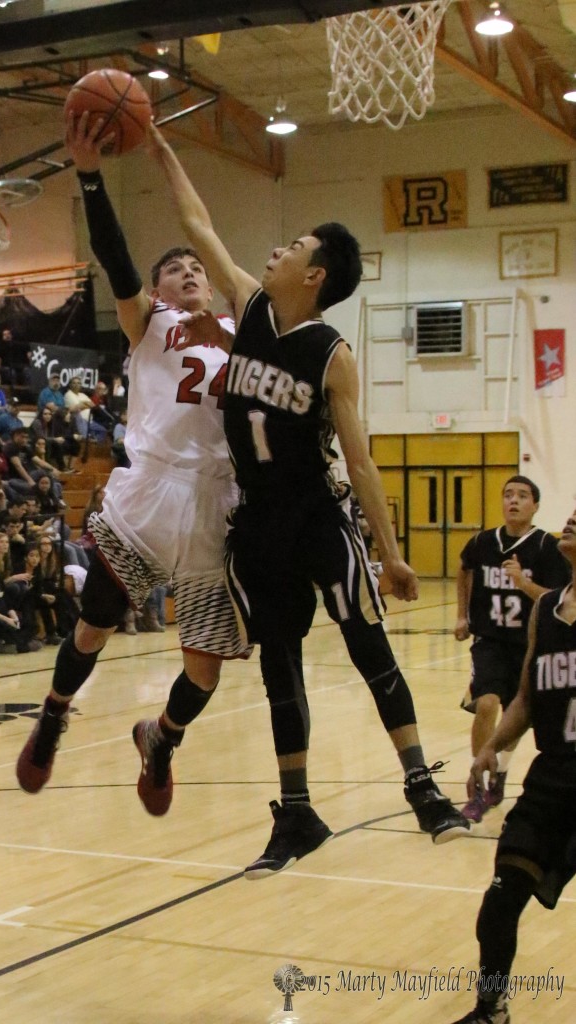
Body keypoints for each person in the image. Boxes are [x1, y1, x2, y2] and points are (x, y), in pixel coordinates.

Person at [150, 121, 469, 876]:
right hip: (256, 521)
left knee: (367, 644)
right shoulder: (251, 307)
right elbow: (197, 222)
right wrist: (158, 146)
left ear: (316, 274)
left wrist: (390, 556)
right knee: (278, 667)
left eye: (292, 246)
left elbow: (360, 464)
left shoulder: (334, 355)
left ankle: (421, 788)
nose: (277, 251)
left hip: (317, 514)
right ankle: (296, 813)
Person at [15, 110, 250, 801]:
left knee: (204, 670)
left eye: (194, 269)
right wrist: (90, 178)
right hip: (149, 491)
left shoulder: (243, 329)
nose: (186, 274)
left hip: (214, 502)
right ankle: (53, 716)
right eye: (173, 269)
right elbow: (116, 261)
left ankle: (162, 737)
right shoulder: (150, 322)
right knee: (92, 629)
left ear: (209, 283)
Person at [448, 505, 576, 1024]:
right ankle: (490, 1009)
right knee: (500, 899)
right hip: (551, 779)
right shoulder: (546, 612)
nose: (570, 522)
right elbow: (525, 696)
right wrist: (491, 748)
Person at [454, 475, 570, 823]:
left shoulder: (548, 548)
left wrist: (523, 583)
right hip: (489, 641)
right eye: (508, 495)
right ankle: (480, 783)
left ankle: (500, 773)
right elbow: (464, 570)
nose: (513, 501)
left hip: (528, 644)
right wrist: (462, 614)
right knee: (486, 703)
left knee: (517, 715)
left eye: (522, 496)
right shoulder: (482, 541)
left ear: (535, 505)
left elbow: (554, 599)